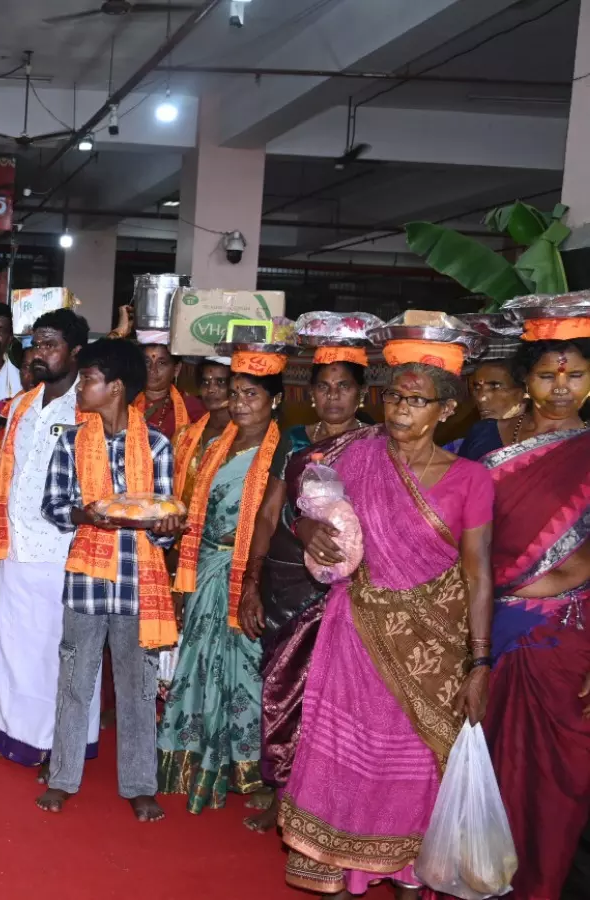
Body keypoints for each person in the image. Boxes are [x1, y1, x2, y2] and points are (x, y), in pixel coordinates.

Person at [280, 337, 493, 898]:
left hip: (432, 650)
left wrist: (480, 663)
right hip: (355, 636)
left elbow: (478, 574)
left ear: (447, 409)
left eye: (416, 400)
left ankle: (407, 878)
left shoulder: (471, 478)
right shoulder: (356, 456)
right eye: (395, 397)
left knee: (415, 768)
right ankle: (337, 866)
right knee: (347, 762)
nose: (400, 409)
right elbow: (306, 510)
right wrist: (308, 529)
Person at [38, 338, 180, 821]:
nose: (80, 387)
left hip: (139, 582)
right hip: (85, 580)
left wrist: (165, 527)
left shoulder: (157, 446)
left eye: (88, 379)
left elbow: (164, 521)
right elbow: (53, 506)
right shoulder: (72, 441)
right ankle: (63, 777)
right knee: (75, 680)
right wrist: (86, 515)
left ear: (115, 387)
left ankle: (139, 784)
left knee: (138, 687)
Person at [238, 344, 374, 833]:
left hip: (347, 585)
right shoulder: (294, 439)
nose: (333, 397)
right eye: (324, 387)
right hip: (287, 581)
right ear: (310, 393)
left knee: (333, 698)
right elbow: (268, 513)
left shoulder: (376, 444)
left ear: (361, 394)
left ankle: (323, 798)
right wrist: (251, 581)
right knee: (283, 688)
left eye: (344, 387)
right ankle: (283, 793)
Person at [479, 320, 590, 900]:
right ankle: (476, 875)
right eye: (548, 375)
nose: (562, 387)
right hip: (485, 629)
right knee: (483, 763)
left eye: (576, 375)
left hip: (565, 635)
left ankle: (541, 885)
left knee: (557, 777)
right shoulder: (486, 442)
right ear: (526, 380)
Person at [157, 347, 289, 814]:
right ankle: (193, 758)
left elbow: (273, 521)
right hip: (204, 567)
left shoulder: (283, 451)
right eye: (235, 394)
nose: (239, 403)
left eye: (251, 394)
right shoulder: (215, 446)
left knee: (246, 671)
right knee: (197, 664)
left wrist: (254, 576)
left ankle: (245, 768)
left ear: (275, 400)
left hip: (248, 573)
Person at [0, 309, 102, 768]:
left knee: (59, 653)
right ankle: (9, 733)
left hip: (65, 550)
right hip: (16, 546)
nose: (39, 353)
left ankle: (60, 747)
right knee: (11, 646)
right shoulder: (22, 405)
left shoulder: (90, 408)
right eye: (36, 344)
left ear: (76, 352)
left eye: (50, 345)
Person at [171, 357, 232, 502]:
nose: (211, 389)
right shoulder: (183, 436)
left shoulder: (243, 439)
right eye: (205, 382)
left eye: (220, 382)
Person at [458, 358, 533, 460]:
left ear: (525, 391)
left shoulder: (546, 438)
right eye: (477, 388)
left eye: (495, 387)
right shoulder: (478, 434)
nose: (480, 398)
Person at [134, 334, 205, 437]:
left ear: (176, 369)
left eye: (161, 363)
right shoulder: (126, 401)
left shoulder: (191, 407)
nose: (153, 370)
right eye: (146, 362)